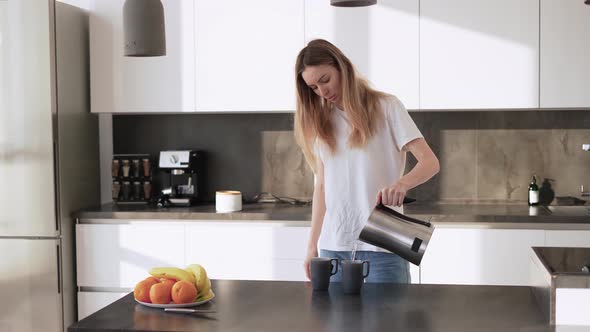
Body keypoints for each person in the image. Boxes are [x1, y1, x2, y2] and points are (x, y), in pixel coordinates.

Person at [294, 39, 440, 283]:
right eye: (313, 87)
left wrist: (402, 184)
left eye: (325, 80)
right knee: (337, 322)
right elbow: (322, 187)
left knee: (389, 322)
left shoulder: (387, 107)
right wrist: (312, 246)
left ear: (342, 68)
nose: (322, 91)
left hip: (383, 246)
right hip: (333, 248)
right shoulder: (322, 122)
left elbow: (430, 162)